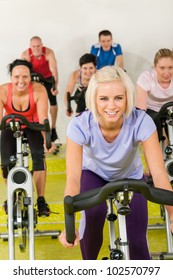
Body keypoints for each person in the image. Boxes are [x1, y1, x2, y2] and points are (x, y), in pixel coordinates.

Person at [59, 66, 173, 260]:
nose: (111, 106)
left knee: (137, 242)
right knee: (93, 219)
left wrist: (172, 215)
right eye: (104, 98)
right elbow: (73, 178)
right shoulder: (79, 125)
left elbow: (160, 174)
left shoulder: (141, 121)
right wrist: (68, 225)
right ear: (94, 99)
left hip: (130, 176)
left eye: (118, 98)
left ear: (128, 97)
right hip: (93, 174)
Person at [0, 59, 55, 217]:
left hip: (33, 125)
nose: (21, 81)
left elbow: (43, 118)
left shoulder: (39, 90)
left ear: (30, 77)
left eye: (25, 76)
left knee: (39, 157)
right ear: (11, 77)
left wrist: (47, 140)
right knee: (5, 163)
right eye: (17, 76)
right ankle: (11, 196)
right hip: (9, 126)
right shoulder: (3, 91)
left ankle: (41, 200)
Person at [21, 36, 59, 142]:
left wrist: (55, 86)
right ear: (30, 46)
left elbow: (54, 70)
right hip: (32, 80)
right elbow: (23, 72)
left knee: (53, 102)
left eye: (38, 46)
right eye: (34, 46)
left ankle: (53, 128)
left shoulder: (48, 53)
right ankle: (28, 128)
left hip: (47, 79)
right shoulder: (26, 55)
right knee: (28, 101)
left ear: (42, 45)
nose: (36, 49)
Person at [136, 48, 173, 142]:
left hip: (170, 109)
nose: (166, 72)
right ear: (155, 67)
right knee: (153, 133)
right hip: (151, 110)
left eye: (170, 67)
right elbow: (140, 107)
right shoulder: (147, 77)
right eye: (162, 68)